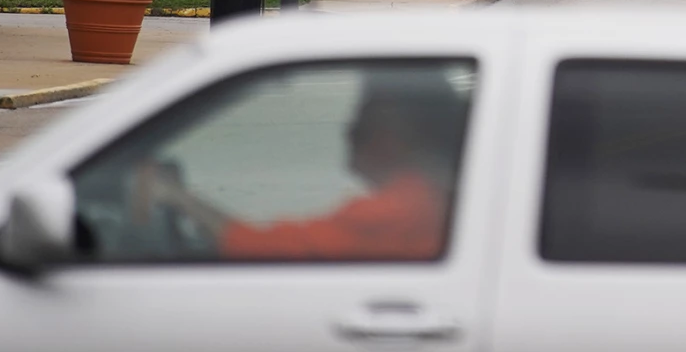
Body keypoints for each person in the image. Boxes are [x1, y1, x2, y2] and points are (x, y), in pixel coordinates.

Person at [131, 75, 463, 261]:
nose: (349, 131)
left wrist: (178, 197)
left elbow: (267, 250)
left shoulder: (398, 210)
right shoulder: (428, 198)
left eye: (364, 119)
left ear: (398, 133)